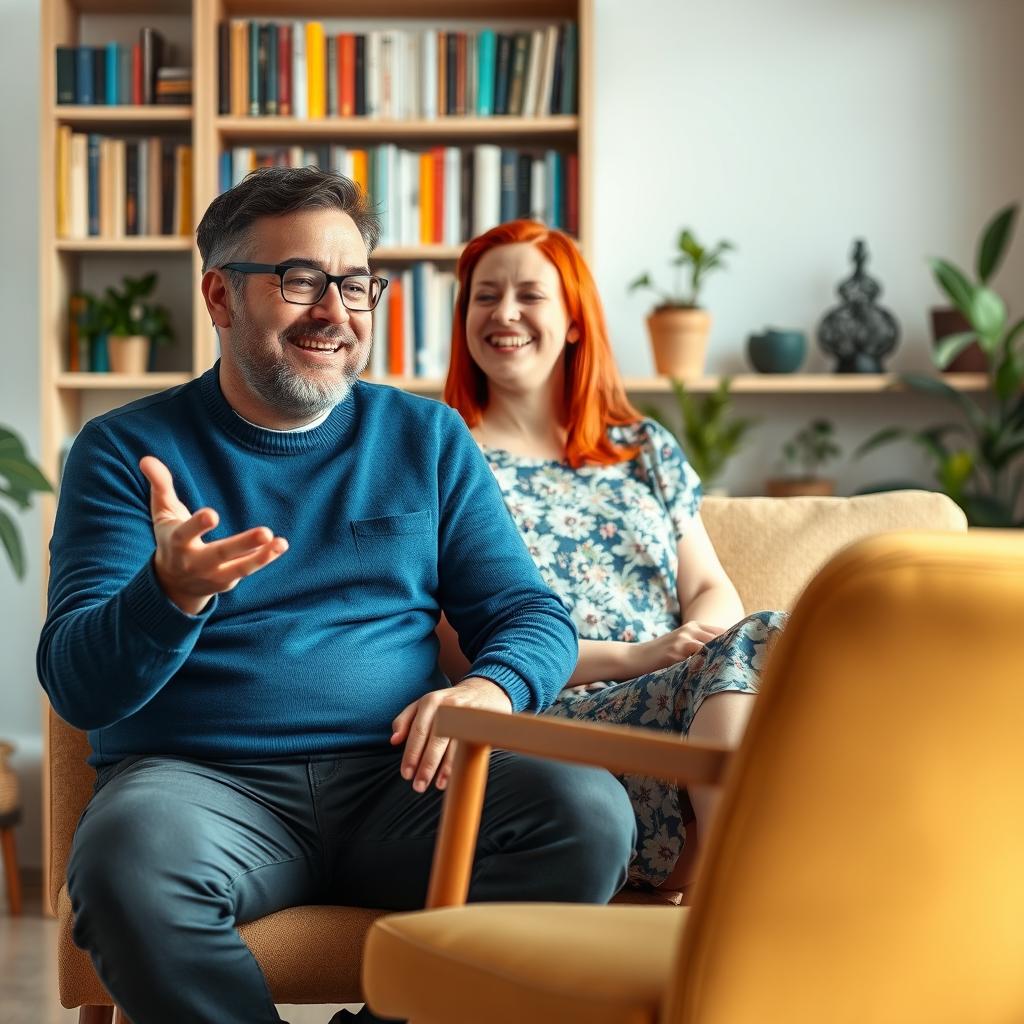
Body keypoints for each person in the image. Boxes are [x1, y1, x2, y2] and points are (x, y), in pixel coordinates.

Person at [37, 169, 637, 1024]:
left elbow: (527, 612)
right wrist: (166, 595)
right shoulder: (124, 449)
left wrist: (488, 687)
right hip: (201, 788)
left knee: (585, 813)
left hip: (401, 780)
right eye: (299, 281)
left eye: (354, 284)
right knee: (123, 865)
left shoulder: (424, 436)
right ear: (219, 295)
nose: (335, 311)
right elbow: (76, 682)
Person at [440, 219, 787, 893]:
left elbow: (711, 584)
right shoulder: (446, 454)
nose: (504, 313)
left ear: (573, 320)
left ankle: (738, 887)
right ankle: (738, 908)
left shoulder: (641, 448)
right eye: (484, 296)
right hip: (549, 717)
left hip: (687, 694)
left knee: (773, 641)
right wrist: (642, 655)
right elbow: (458, 649)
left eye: (528, 295)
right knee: (755, 654)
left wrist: (700, 643)